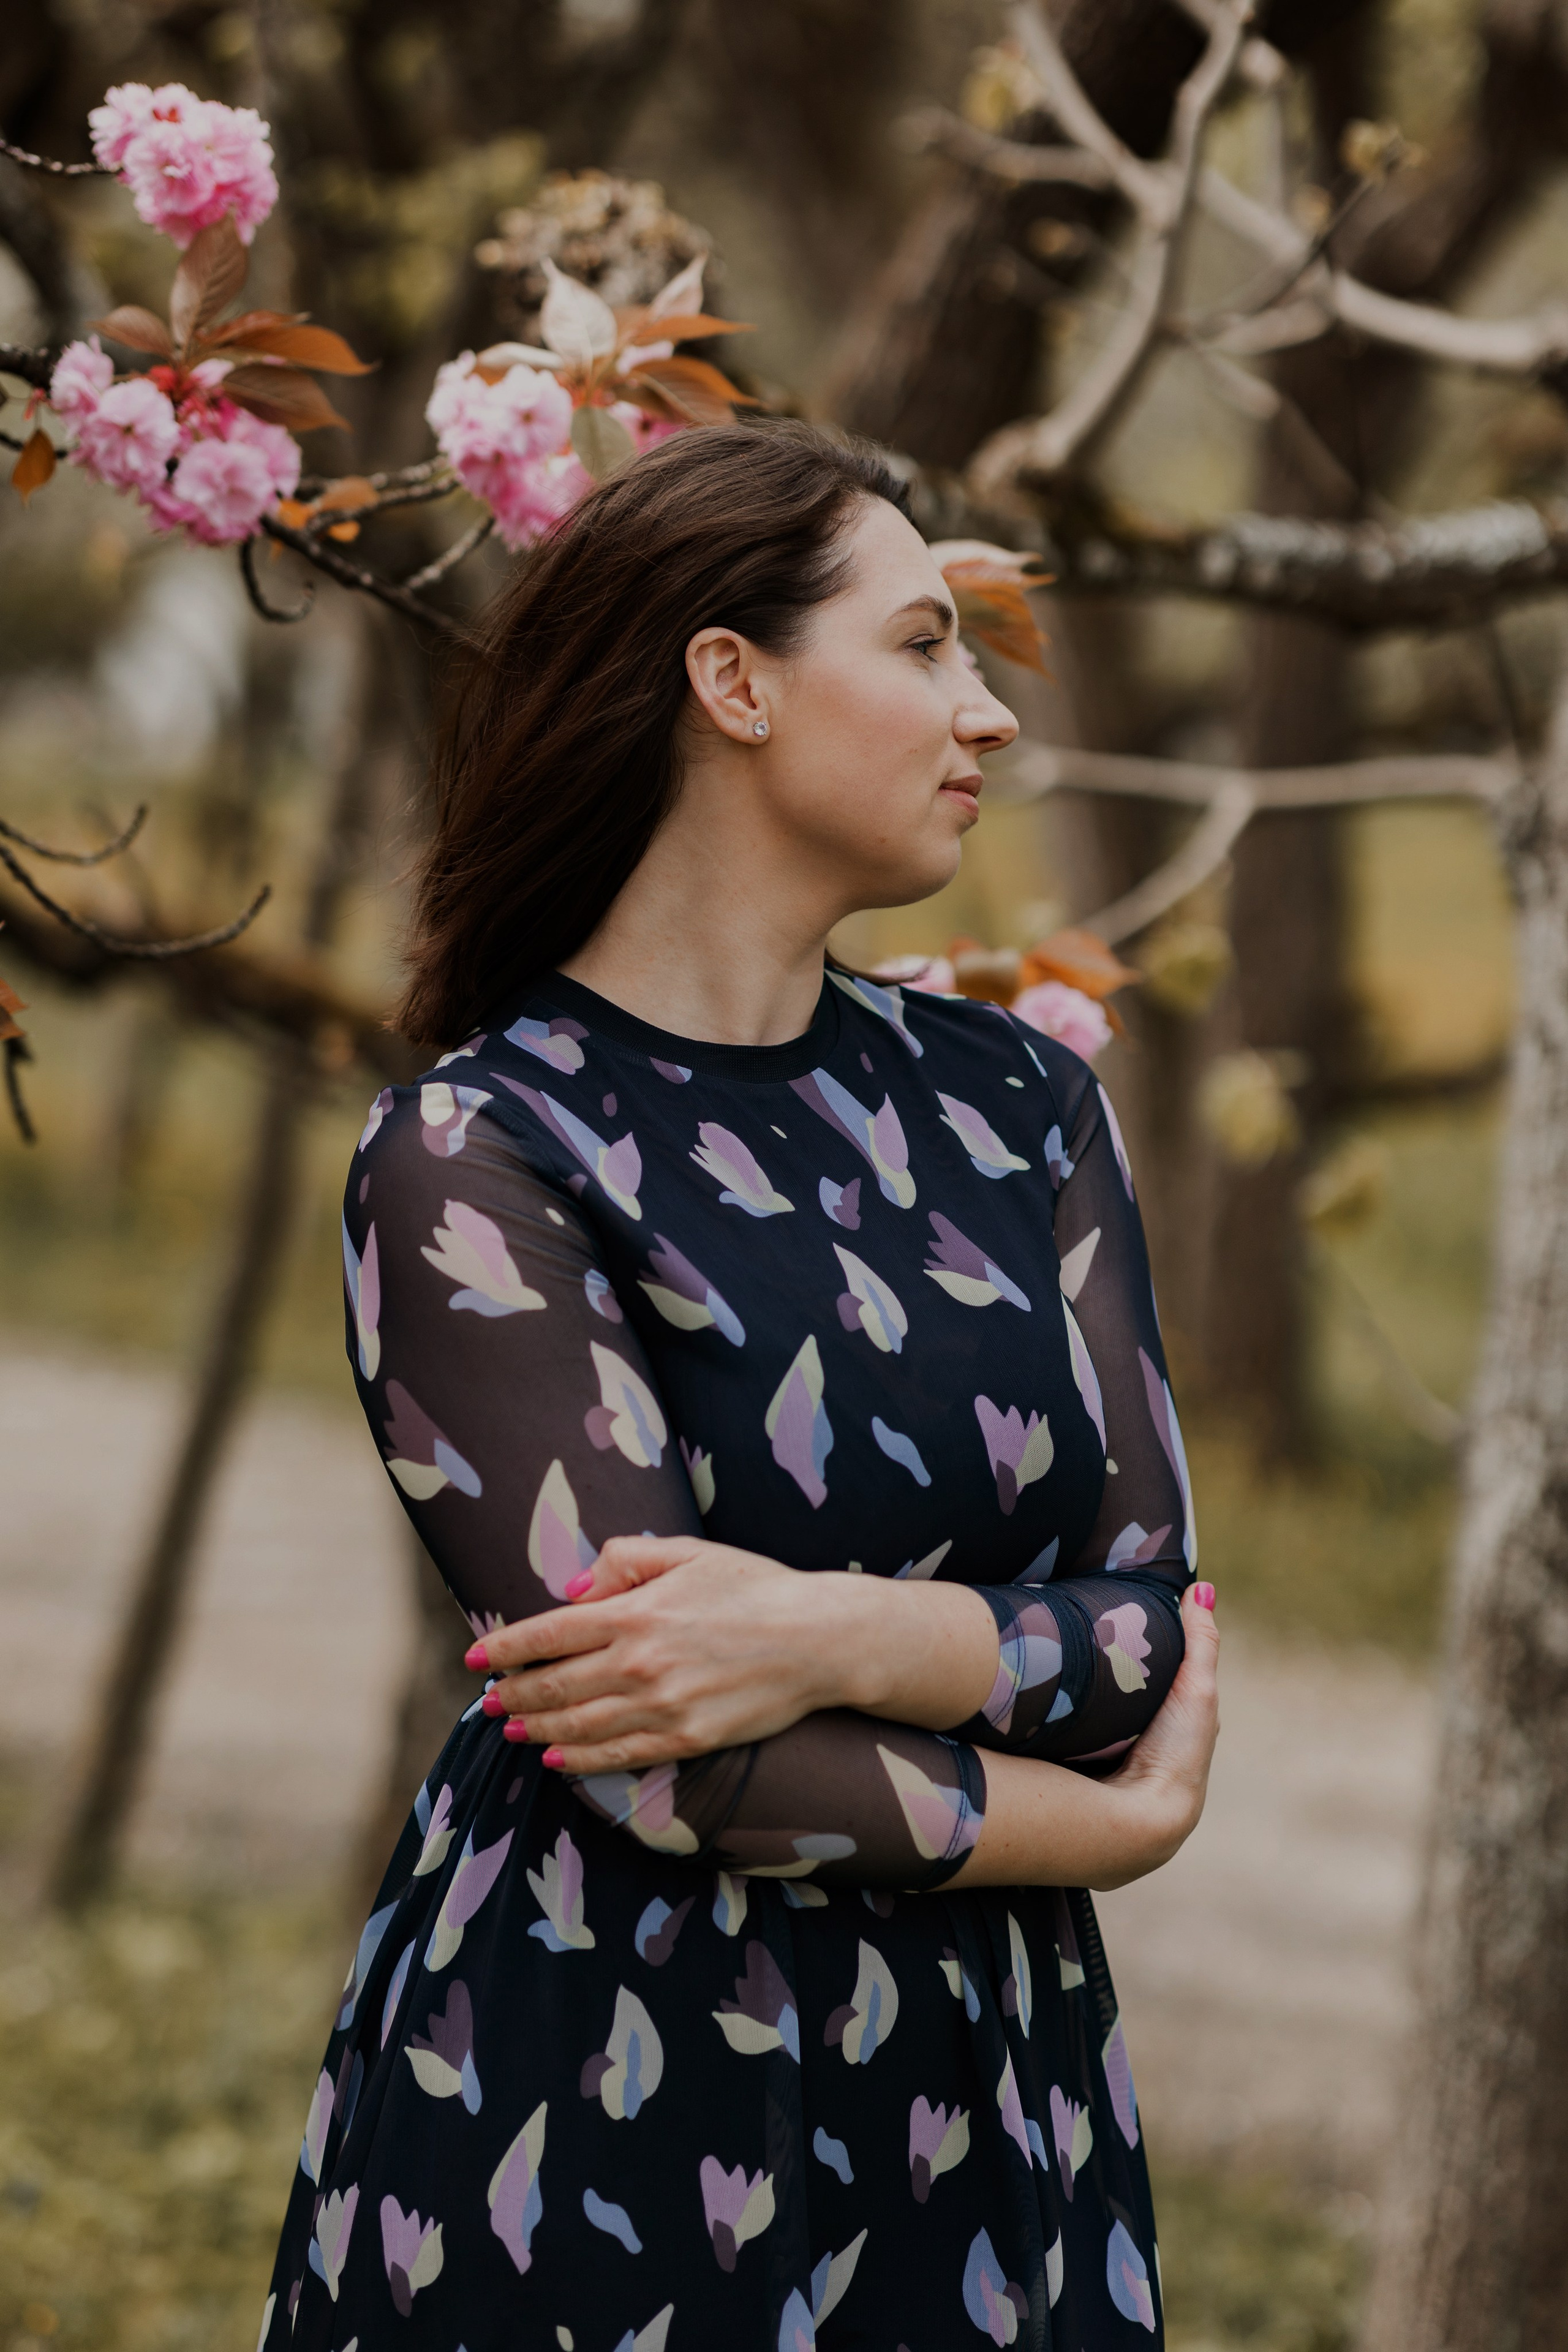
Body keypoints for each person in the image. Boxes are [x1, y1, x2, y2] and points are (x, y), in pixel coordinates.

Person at [262, 420, 1219, 2351]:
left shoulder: (1018, 1103)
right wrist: (1106, 1835)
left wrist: (824, 1628)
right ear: (734, 682)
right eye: (930, 643)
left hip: (987, 2091)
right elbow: (677, 1755)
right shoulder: (477, 1157)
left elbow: (1141, 1638)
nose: (991, 713)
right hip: (597, 2081)